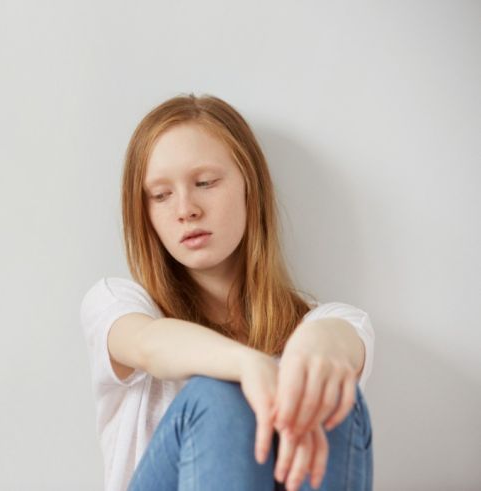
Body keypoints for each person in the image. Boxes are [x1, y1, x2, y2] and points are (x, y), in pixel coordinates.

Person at [79, 93, 374, 491]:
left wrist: (313, 346)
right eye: (161, 195)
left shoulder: (328, 318)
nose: (186, 209)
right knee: (219, 394)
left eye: (205, 183)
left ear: (249, 186)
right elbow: (150, 344)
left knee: (326, 389)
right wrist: (249, 365)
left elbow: (341, 339)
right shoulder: (117, 301)